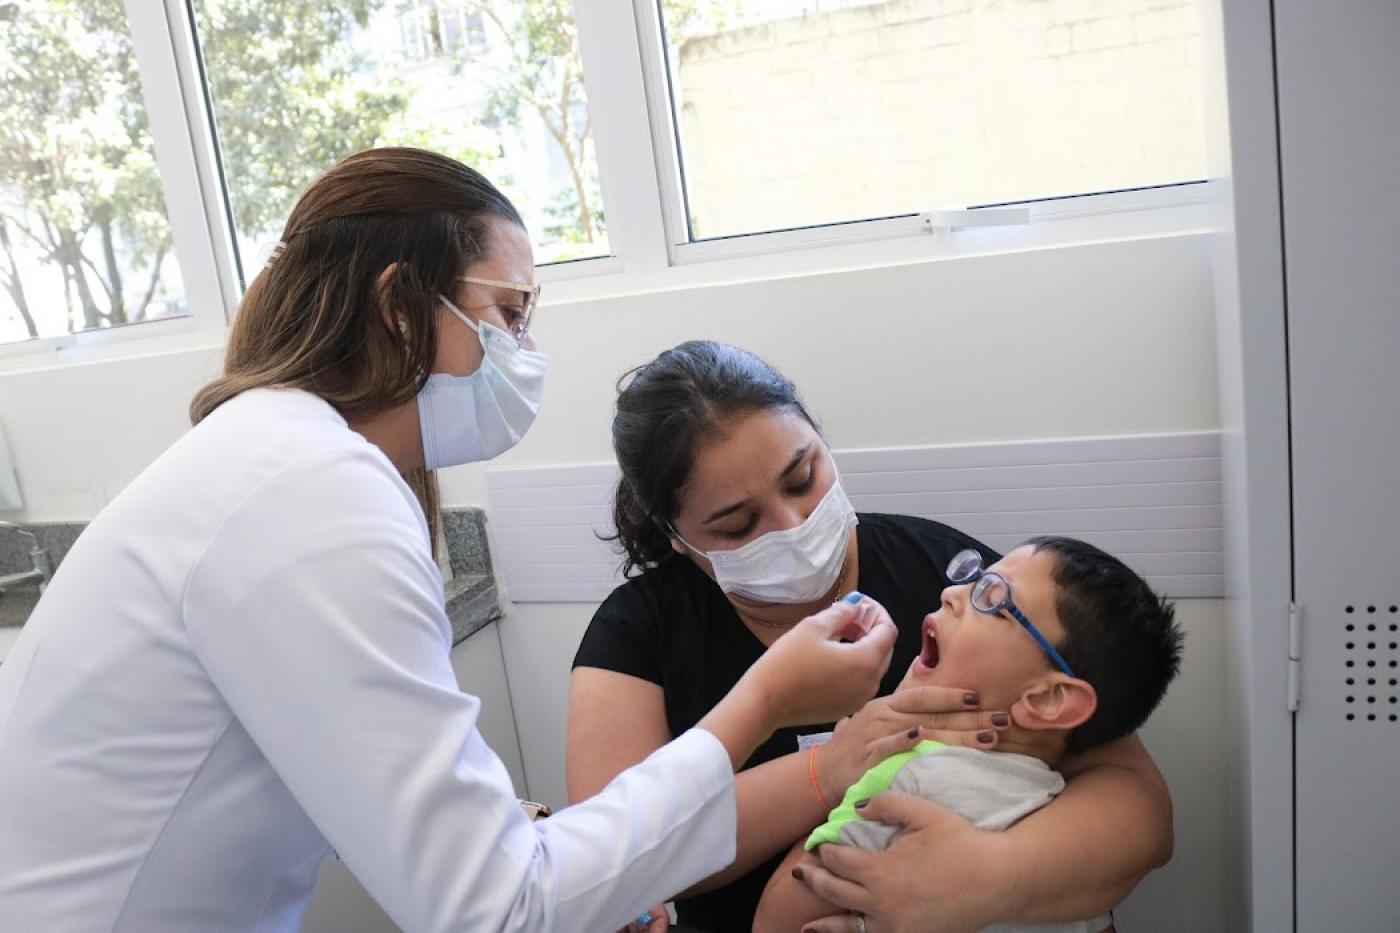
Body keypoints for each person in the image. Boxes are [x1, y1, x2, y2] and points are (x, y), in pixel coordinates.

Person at [0, 149, 901, 933]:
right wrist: (767, 701)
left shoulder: (278, 458)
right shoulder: (315, 491)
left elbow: (359, 772)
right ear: (399, 303)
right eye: (508, 313)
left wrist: (510, 828)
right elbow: (499, 910)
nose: (526, 345)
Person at [567, 341, 1176, 932]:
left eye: (802, 477)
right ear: (674, 533)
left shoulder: (953, 575)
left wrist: (982, 879)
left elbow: (1140, 811)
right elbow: (610, 865)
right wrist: (833, 765)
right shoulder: (636, 637)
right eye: (738, 524)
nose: (794, 525)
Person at [754, 537, 1184, 932]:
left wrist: (845, 787)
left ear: (1050, 699)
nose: (951, 593)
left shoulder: (909, 782)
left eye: (992, 598)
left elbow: (778, 921)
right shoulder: (1072, 835)